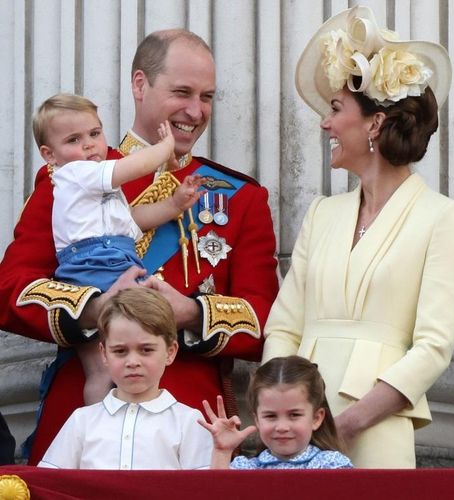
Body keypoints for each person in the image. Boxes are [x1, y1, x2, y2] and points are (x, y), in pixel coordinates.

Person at [0, 29, 279, 465]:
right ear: (139, 84)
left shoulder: (240, 198)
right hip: (83, 416)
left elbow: (266, 322)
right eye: (182, 92)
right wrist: (94, 309)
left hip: (188, 424)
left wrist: (190, 313)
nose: (195, 110)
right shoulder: (73, 171)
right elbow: (11, 289)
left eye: (206, 96)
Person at [262, 5, 454, 468]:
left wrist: (346, 424)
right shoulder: (322, 212)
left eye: (335, 109)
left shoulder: (444, 217)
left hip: (377, 427)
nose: (325, 123)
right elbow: (283, 326)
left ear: (374, 122)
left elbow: (434, 347)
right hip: (295, 434)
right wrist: (279, 412)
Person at [33, 93, 206, 405]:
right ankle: (104, 428)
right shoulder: (75, 173)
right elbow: (129, 168)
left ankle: (103, 429)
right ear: (50, 154)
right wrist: (165, 148)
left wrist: (173, 204)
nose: (88, 145)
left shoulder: (95, 184)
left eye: (95, 134)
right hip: (96, 269)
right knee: (146, 347)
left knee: (102, 371)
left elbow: (132, 221)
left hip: (106, 262)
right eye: (74, 139)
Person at [38, 287, 212, 469]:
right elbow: (51, 482)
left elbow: (201, 488)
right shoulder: (82, 420)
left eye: (146, 350)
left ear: (170, 352)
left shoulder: (188, 421)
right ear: (104, 354)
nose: (133, 362)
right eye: (120, 351)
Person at [199, 355, 353, 469]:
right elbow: (219, 494)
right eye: (271, 416)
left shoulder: (332, 466)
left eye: (294, 415)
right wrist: (222, 452)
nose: (282, 427)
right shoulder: (246, 469)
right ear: (257, 420)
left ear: (316, 418)